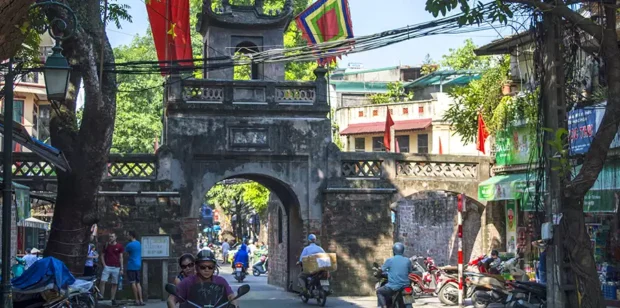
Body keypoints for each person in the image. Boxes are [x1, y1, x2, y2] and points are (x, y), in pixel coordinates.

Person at [168, 250, 237, 308]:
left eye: (210, 267)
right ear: (197, 267)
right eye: (203, 267)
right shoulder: (187, 282)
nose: (207, 270)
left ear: (214, 268)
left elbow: (231, 296)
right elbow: (171, 299)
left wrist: (235, 305)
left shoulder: (221, 281)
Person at [376, 243, 414, 308]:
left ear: (394, 251)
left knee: (379, 291)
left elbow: (381, 270)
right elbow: (410, 271)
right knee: (408, 302)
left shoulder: (390, 260)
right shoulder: (408, 261)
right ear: (402, 251)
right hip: (406, 286)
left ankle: (384, 306)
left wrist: (377, 274)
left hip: (393, 287)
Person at [99, 233, 124, 306]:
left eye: (112, 236)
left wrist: (122, 268)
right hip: (107, 266)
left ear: (115, 237)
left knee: (114, 283)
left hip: (116, 266)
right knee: (103, 281)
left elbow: (121, 257)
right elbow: (102, 255)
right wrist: (104, 265)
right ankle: (101, 296)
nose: (110, 238)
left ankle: (112, 298)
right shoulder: (106, 245)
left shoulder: (119, 246)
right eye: (110, 236)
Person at [125, 231, 144, 306]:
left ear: (131, 236)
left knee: (133, 283)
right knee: (138, 283)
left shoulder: (129, 245)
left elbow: (126, 254)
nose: (127, 237)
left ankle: (136, 300)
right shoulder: (139, 243)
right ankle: (141, 300)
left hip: (131, 265)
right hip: (138, 264)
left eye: (128, 235)